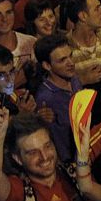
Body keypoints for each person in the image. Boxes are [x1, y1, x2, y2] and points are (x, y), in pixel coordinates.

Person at [33, 34, 80, 163]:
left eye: (70, 56)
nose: (70, 63)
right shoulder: (46, 98)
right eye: (62, 60)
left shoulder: (75, 80)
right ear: (47, 66)